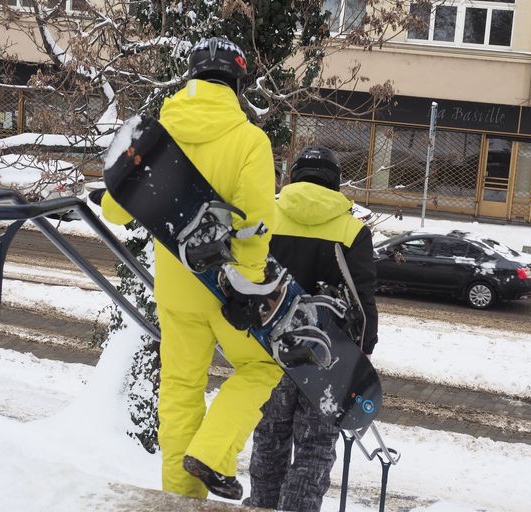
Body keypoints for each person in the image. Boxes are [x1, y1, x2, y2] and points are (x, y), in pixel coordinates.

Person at [100, 37, 283, 500]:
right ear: (237, 84)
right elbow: (257, 221)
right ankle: (212, 453)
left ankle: (179, 500)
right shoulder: (249, 141)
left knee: (180, 387)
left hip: (175, 288)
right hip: (224, 286)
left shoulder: (158, 135)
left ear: (190, 77)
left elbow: (114, 210)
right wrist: (249, 283)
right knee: (262, 366)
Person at [245, 146, 379, 511]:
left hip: (270, 349)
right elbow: (362, 298)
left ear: (294, 176)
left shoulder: (267, 216)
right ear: (335, 182)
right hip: (327, 358)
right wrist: (364, 350)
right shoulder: (352, 230)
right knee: (314, 448)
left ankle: (261, 505)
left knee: (270, 438)